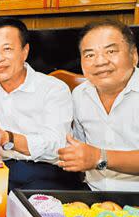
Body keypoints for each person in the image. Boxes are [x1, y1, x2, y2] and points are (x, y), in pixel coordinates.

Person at [0, 17, 82, 191]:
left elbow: (57, 144)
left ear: (25, 51)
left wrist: (8, 138)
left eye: (6, 49)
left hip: (47, 172)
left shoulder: (53, 89)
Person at [58, 19, 139, 191]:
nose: (100, 61)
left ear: (134, 56)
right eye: (89, 55)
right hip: (94, 199)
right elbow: (79, 148)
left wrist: (99, 157)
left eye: (110, 51)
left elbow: (93, 156)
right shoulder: (80, 95)